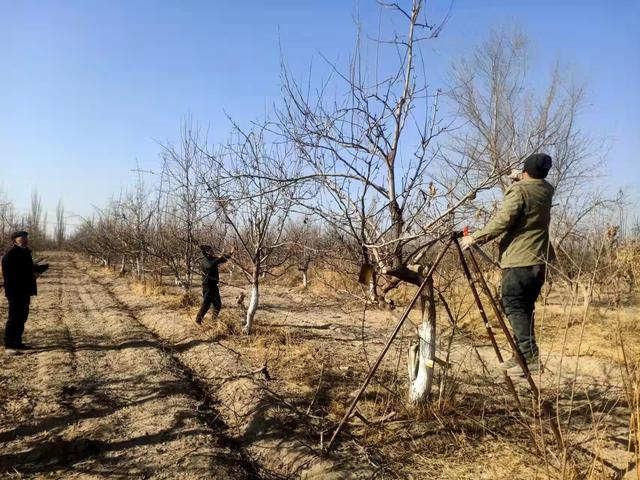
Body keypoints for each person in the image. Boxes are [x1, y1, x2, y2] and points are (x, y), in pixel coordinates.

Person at [460, 153, 555, 375]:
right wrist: (521, 179)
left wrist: (476, 237)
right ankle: (520, 357)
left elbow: (504, 219)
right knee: (524, 308)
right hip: (539, 260)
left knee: (513, 304)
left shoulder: (520, 191)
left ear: (526, 171)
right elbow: (533, 191)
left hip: (519, 259)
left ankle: (530, 357)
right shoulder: (547, 190)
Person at [2, 231, 49, 354]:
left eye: (26, 238)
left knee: (22, 317)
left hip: (25, 291)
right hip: (15, 291)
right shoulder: (10, 256)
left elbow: (27, 269)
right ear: (14, 241)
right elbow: (14, 275)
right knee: (14, 318)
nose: (25, 240)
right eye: (22, 239)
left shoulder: (25, 253)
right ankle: (9, 345)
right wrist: (33, 275)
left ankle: (18, 342)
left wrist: (39, 269)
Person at [195, 245, 233, 326]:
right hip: (207, 286)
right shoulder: (205, 260)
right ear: (207, 252)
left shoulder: (212, 259)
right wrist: (218, 258)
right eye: (211, 250)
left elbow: (222, 259)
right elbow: (210, 265)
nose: (213, 251)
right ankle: (198, 320)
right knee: (206, 304)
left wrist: (230, 253)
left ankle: (213, 320)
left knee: (217, 305)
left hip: (213, 285)